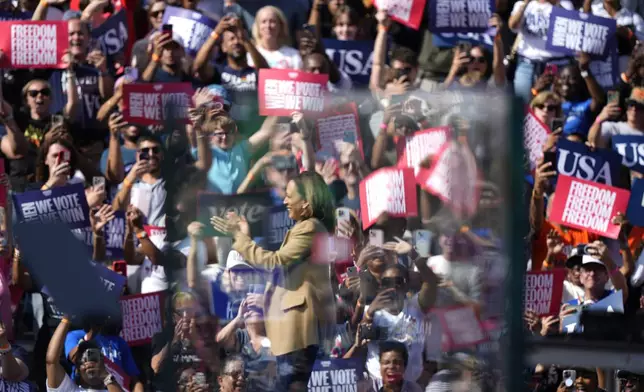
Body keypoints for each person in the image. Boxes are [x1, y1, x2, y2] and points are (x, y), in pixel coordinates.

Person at [211, 171, 336, 391]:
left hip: (298, 331)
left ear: (306, 203)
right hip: (290, 332)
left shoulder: (309, 228)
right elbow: (281, 273)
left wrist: (239, 238)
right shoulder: (305, 229)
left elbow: (275, 262)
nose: (285, 201)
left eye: (290, 196)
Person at [46, 318, 124, 392]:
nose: (89, 364)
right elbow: (51, 362)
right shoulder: (70, 390)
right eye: (83, 361)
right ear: (78, 370)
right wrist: (66, 318)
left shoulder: (114, 388)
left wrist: (106, 377)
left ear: (103, 365)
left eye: (94, 359)